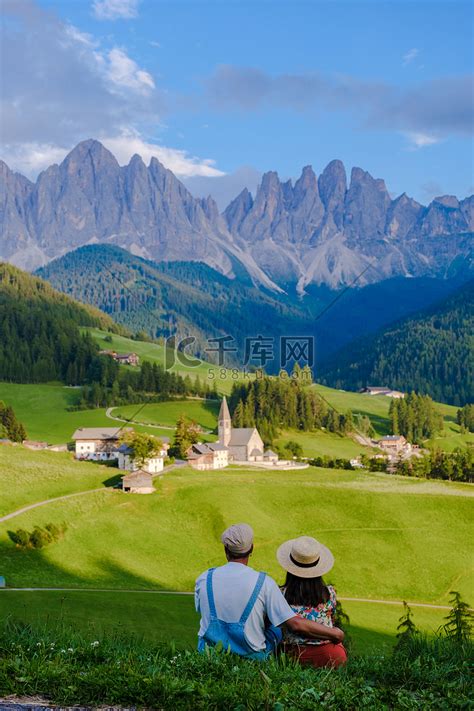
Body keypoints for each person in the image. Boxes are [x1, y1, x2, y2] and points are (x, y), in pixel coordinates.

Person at [195, 523, 344, 660]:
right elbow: (295, 624)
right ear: (251, 548)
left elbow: (201, 609)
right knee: (275, 624)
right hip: (250, 655)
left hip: (209, 653)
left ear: (225, 549)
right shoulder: (264, 583)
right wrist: (335, 633)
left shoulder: (204, 578)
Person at [276, 535, 347, 668]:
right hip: (331, 656)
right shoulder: (330, 593)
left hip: (293, 656)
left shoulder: (280, 594)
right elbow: (332, 620)